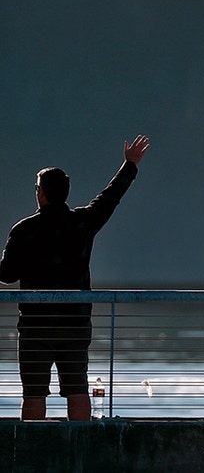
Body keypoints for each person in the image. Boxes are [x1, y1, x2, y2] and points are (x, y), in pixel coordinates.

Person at [0, 135, 150, 421]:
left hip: (35, 325)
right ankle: (82, 445)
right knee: (77, 387)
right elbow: (110, 198)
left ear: (41, 194)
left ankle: (34, 448)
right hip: (75, 322)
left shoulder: (23, 231)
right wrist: (129, 165)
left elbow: (7, 276)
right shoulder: (82, 223)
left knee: (33, 391)